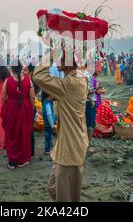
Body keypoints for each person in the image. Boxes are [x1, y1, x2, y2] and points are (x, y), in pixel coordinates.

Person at [33, 52, 88, 202]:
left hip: (70, 147)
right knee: (54, 188)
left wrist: (50, 54)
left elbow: (38, 75)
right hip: (70, 143)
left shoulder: (70, 83)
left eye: (61, 56)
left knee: (65, 197)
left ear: (69, 62)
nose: (57, 59)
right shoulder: (79, 77)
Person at [1, 60, 35, 170]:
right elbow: (32, 97)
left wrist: (6, 106)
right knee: (23, 133)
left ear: (12, 69)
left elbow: (3, 97)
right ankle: (21, 160)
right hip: (24, 108)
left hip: (11, 108)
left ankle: (12, 161)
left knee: (11, 133)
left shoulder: (8, 80)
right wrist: (32, 108)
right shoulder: (28, 81)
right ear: (21, 69)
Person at [41, 91, 55, 155]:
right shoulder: (47, 105)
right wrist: (52, 124)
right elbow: (49, 115)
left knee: (49, 135)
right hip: (49, 124)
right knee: (48, 136)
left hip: (48, 123)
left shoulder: (46, 103)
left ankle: (50, 147)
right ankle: (47, 150)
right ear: (49, 95)